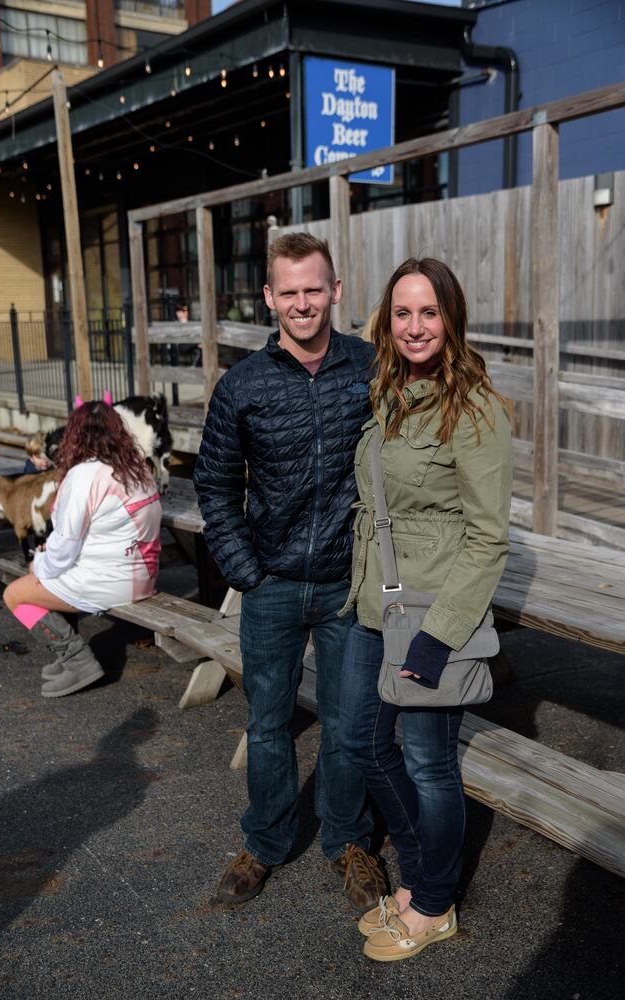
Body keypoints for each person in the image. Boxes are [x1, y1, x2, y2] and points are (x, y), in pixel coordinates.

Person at [193, 232, 387, 910]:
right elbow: (213, 485)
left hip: (345, 581)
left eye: (315, 289)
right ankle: (268, 841)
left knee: (347, 720)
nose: (303, 303)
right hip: (271, 582)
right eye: (290, 292)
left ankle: (348, 841)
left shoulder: (372, 367)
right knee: (269, 723)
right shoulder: (241, 385)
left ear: (335, 291)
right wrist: (246, 570)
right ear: (270, 297)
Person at [339, 257, 512, 961]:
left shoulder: (473, 411)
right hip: (378, 603)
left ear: (451, 319)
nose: (415, 327)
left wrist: (440, 638)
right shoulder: (390, 394)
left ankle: (434, 902)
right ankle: (421, 877)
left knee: (431, 766)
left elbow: (489, 536)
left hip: (432, 615)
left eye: (429, 313)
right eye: (403, 313)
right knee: (364, 744)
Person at [3, 400, 162, 698]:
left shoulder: (84, 475)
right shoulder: (137, 467)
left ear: (73, 435)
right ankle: (68, 656)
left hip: (108, 581)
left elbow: (64, 549)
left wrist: (38, 564)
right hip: (143, 576)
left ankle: (75, 659)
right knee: (43, 572)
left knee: (15, 594)